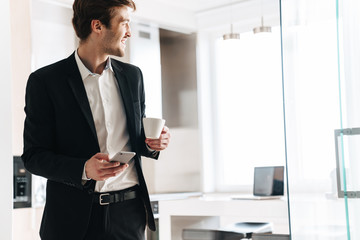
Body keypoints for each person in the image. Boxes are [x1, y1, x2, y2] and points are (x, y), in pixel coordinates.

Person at [22, 0, 170, 239]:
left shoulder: (134, 77)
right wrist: (84, 169)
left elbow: (136, 138)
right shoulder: (46, 82)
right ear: (97, 26)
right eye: (124, 23)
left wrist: (154, 143)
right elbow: (33, 157)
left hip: (129, 215)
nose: (129, 32)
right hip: (72, 220)